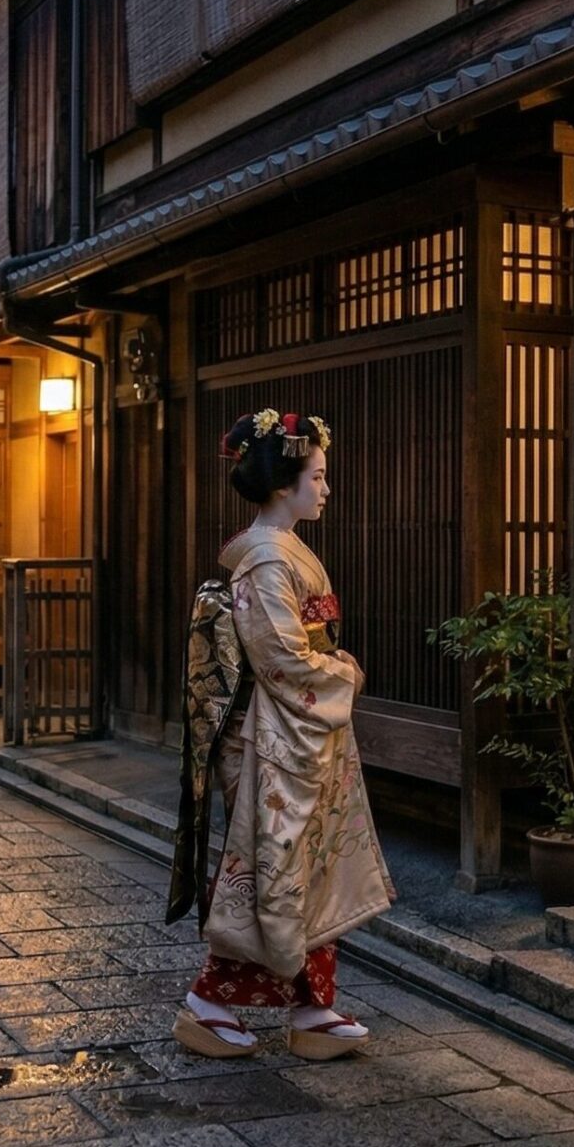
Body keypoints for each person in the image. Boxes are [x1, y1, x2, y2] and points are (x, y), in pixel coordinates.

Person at [174, 409, 394, 1062]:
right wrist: (342, 672)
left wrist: (328, 672)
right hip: (272, 733)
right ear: (281, 485)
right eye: (317, 476)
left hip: (290, 730)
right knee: (273, 873)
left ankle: (310, 1007)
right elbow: (283, 659)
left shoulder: (279, 550)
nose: (326, 488)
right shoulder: (267, 561)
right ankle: (208, 1003)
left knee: (302, 870)